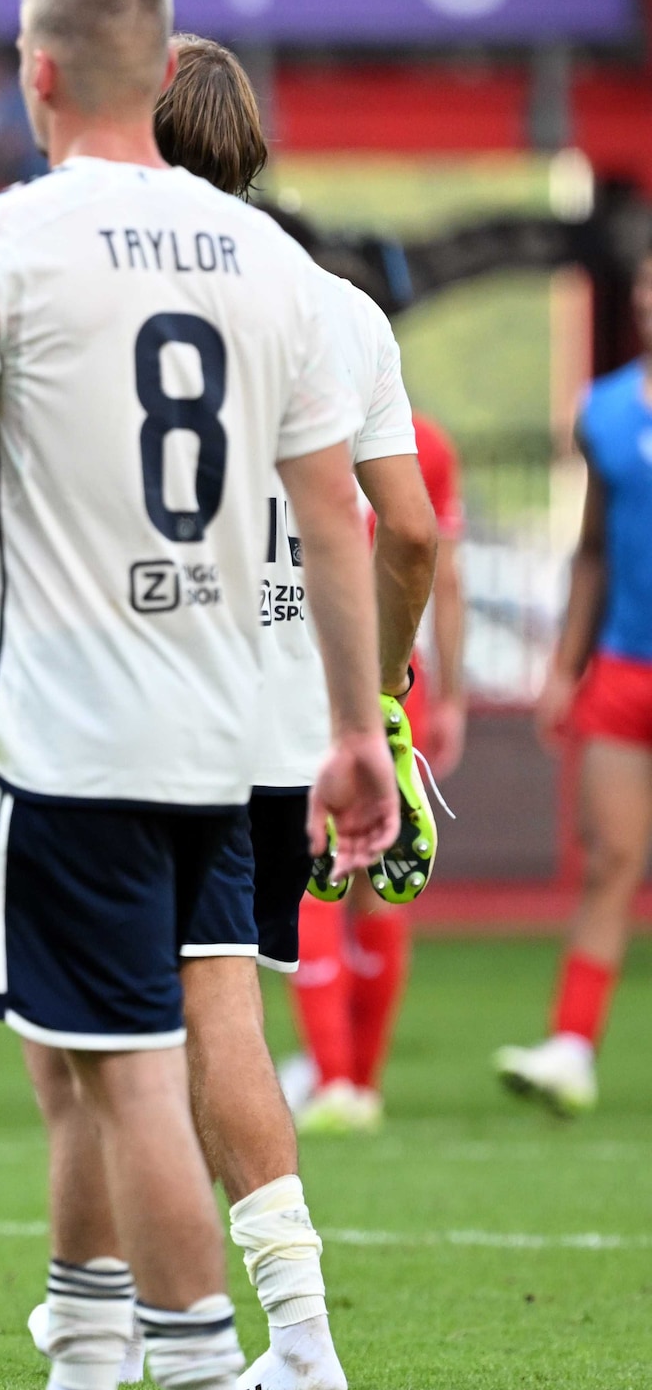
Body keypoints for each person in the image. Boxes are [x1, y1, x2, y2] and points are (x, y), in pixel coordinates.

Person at [0, 0, 396, 1390]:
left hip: (70, 733)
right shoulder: (273, 262)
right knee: (85, 1072)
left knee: (120, 1075)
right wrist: (358, 722)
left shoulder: (2, 239)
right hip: (226, 736)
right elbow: (338, 521)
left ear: (41, 73)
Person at [0, 35, 439, 1390]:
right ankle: (259, 1323)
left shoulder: (90, 279)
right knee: (213, 1009)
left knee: (95, 1037)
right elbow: (406, 536)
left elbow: (32, 486)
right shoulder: (332, 304)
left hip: (122, 709)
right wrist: (376, 702)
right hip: (277, 727)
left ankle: (136, 1317)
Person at [500, 252, 652, 1116]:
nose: (648, 303)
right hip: (627, 666)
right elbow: (592, 549)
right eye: (643, 291)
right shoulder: (608, 409)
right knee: (611, 859)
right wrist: (564, 667)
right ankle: (570, 1046)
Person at [290, 409, 465, 1133]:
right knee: (384, 879)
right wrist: (448, 693)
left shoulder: (278, 412)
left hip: (304, 677)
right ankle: (362, 1081)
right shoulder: (423, 438)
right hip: (395, 681)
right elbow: (435, 566)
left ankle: (334, 1078)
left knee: (315, 872)